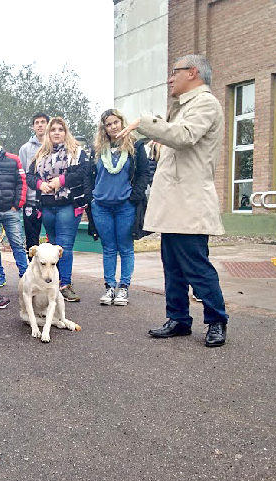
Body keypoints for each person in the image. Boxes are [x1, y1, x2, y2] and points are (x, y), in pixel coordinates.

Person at [118, 54, 228, 347]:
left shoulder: (205, 103)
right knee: (173, 265)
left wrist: (147, 123)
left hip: (189, 203)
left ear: (192, 73)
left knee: (196, 266)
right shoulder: (184, 107)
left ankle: (217, 320)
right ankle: (178, 319)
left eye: (174, 73)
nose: (170, 78)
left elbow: (185, 137)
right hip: (175, 204)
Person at [87, 108, 150, 306]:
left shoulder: (136, 146)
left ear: (122, 122)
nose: (113, 127)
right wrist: (91, 198)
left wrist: (134, 197)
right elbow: (88, 175)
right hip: (102, 206)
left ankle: (123, 288)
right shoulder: (97, 149)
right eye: (108, 124)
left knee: (125, 247)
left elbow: (143, 174)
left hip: (125, 206)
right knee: (108, 248)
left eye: (116, 122)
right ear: (103, 128)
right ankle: (109, 287)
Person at [25, 116, 90, 303]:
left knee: (65, 246)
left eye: (60, 129)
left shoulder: (76, 152)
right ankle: (52, 283)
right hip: (46, 206)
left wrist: (61, 181)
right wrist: (39, 184)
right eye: (53, 130)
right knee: (52, 247)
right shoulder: (40, 154)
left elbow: (82, 173)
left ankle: (65, 285)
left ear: (65, 132)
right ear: (47, 133)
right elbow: (29, 176)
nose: (56, 133)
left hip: (67, 205)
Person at [0, 128, 28, 287]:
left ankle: (25, 274)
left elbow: (22, 182)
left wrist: (17, 205)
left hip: (11, 210)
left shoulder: (13, 159)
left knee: (17, 243)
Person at [18, 113, 48, 254]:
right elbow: (22, 175)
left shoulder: (55, 146)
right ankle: (32, 272)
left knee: (52, 239)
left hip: (50, 200)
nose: (40, 125)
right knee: (32, 240)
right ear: (33, 126)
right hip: (31, 201)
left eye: (43, 122)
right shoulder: (25, 149)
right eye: (37, 122)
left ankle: (53, 273)